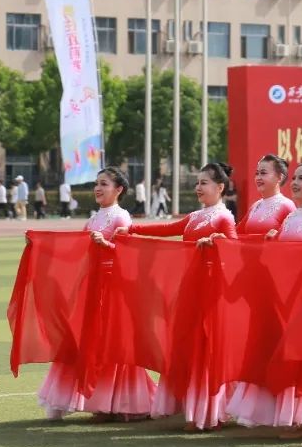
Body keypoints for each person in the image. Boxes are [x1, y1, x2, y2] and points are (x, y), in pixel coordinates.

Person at [120, 163, 238, 432]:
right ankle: (192, 407)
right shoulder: (195, 216)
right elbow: (167, 228)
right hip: (189, 289)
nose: (198, 187)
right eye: (197, 183)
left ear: (220, 187)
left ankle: (209, 412)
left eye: (204, 183)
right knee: (186, 345)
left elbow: (235, 253)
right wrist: (133, 229)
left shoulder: (224, 218)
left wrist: (219, 243)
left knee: (205, 348)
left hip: (210, 291)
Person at [231, 161, 302, 439]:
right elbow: (279, 258)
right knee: (293, 355)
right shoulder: (291, 218)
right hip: (287, 297)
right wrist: (272, 239)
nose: (294, 183)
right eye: (294, 177)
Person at [36, 168, 156, 421]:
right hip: (91, 287)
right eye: (97, 184)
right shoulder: (93, 219)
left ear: (118, 189)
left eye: (104, 184)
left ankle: (113, 403)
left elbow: (130, 256)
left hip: (112, 289)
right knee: (83, 342)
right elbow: (75, 249)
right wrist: (41, 246)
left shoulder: (121, 218)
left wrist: (107, 245)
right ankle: (98, 400)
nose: (98, 188)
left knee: (109, 344)